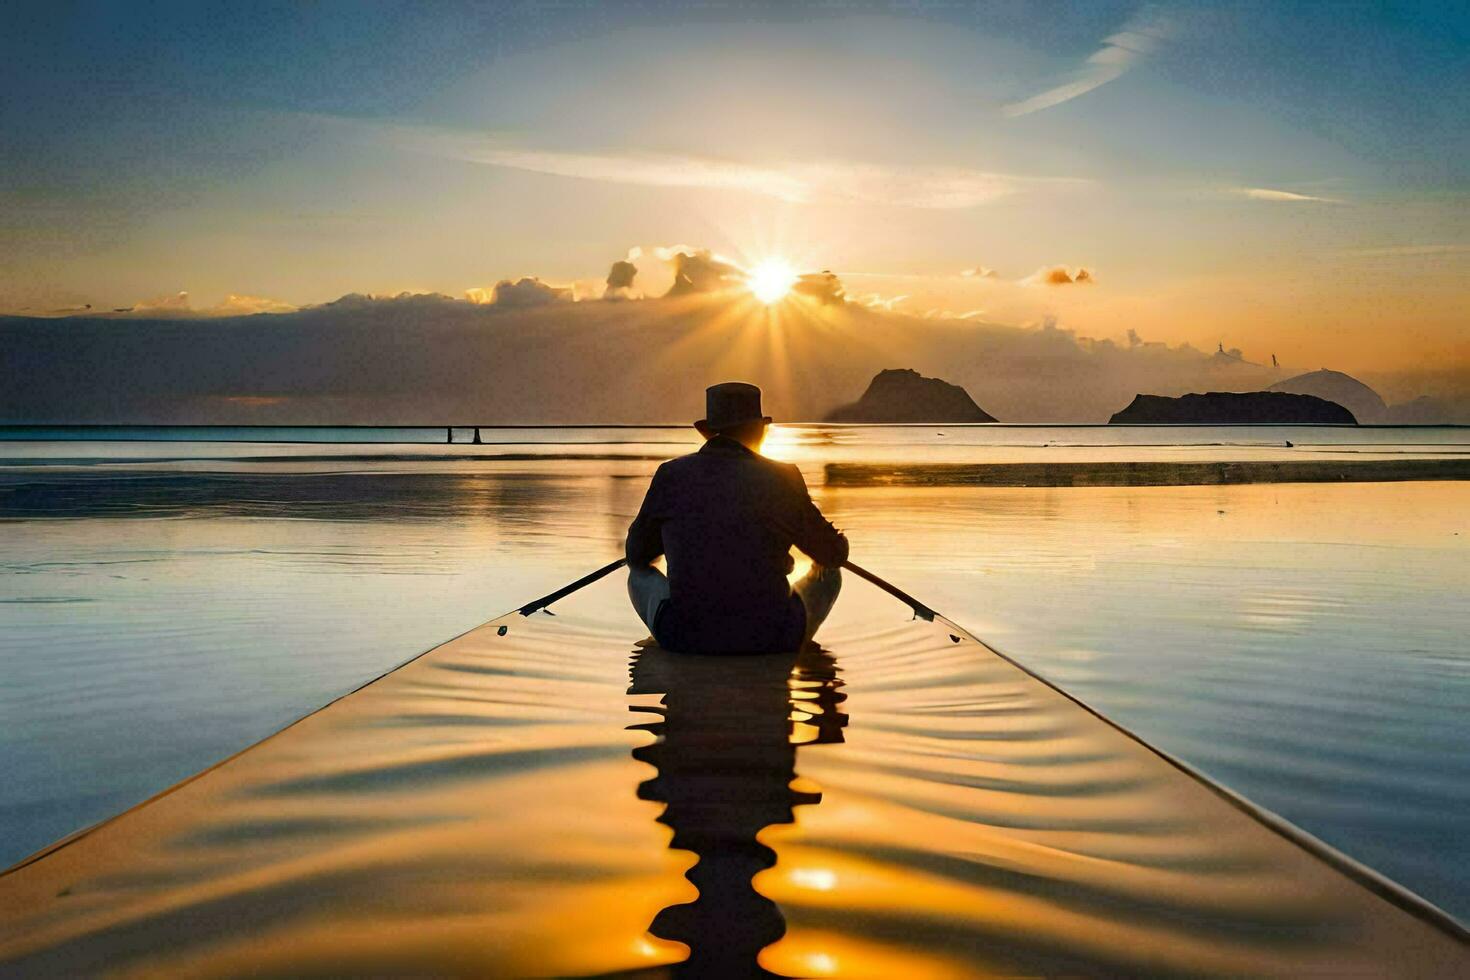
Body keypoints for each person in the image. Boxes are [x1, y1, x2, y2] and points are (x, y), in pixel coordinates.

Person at [625, 382, 848, 654]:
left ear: (710, 434)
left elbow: (636, 555)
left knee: (637, 574)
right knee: (829, 572)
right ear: (759, 430)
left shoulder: (670, 475)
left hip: (685, 638)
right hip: (773, 639)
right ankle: (818, 678)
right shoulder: (784, 477)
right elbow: (834, 554)